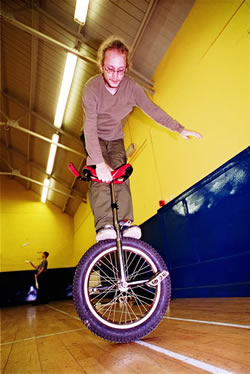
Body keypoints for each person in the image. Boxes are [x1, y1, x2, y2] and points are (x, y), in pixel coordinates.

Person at [81, 36, 202, 242]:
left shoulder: (132, 89)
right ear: (101, 64)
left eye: (120, 70)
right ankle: (105, 224)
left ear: (126, 68)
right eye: (110, 68)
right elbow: (90, 126)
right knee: (100, 178)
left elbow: (152, 110)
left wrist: (178, 129)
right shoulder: (91, 89)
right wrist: (99, 163)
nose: (115, 75)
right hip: (94, 138)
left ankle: (125, 223)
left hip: (116, 138)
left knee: (121, 175)